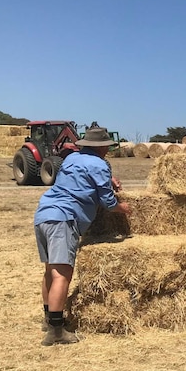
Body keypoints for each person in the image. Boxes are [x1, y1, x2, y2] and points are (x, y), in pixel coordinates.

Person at [34, 126, 131, 346]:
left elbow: (79, 178)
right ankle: (56, 331)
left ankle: (49, 318)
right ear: (103, 146)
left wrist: (108, 179)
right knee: (63, 274)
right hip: (64, 218)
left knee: (50, 270)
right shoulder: (100, 164)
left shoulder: (71, 159)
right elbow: (107, 202)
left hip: (44, 213)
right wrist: (122, 208)